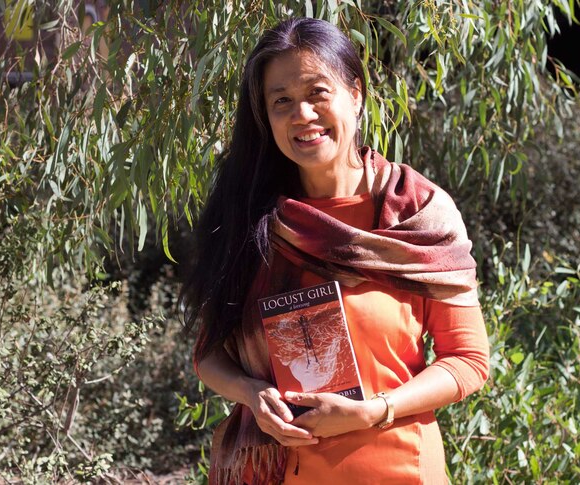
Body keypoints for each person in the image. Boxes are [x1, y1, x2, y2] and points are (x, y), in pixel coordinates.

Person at [183, 17, 490, 485]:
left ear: (356, 93)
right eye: (281, 101)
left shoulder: (415, 213)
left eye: (317, 93)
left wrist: (373, 411)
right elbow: (208, 355)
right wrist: (251, 393)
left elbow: (468, 360)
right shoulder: (253, 219)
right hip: (277, 471)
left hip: (398, 469)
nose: (301, 114)